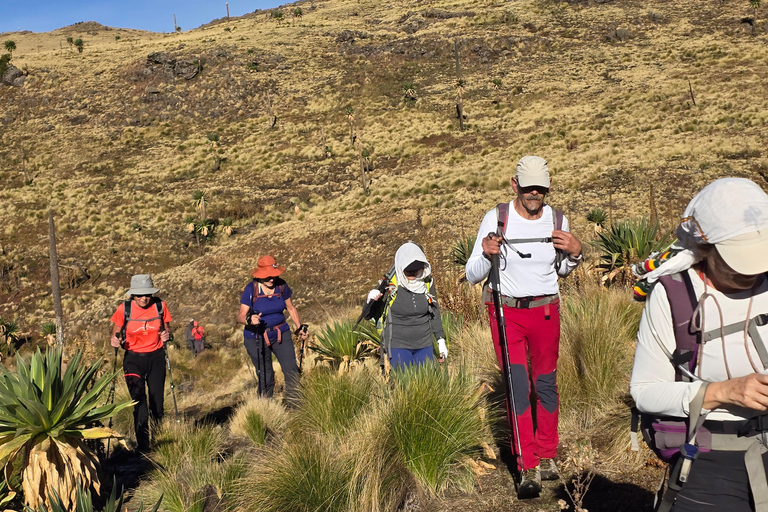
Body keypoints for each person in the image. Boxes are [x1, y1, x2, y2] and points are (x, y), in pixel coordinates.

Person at [630, 177, 768, 512]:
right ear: (704, 249)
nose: (751, 273)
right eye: (739, 259)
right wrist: (723, 391)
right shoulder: (673, 295)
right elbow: (644, 391)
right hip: (708, 454)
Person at [465, 155, 582, 498]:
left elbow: (561, 270)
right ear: (514, 185)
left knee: (545, 383)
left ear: (547, 189)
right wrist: (486, 254)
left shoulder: (557, 219)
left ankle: (547, 456)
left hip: (546, 311)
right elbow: (472, 274)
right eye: (528, 187)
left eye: (540, 189)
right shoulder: (495, 218)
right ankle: (526, 464)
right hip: (505, 312)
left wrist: (575, 252)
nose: (534, 194)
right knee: (517, 387)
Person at [109, 274, 172, 452]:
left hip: (156, 357)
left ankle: (159, 440)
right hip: (133, 359)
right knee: (139, 402)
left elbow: (167, 330)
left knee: (157, 402)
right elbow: (115, 334)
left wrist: (167, 336)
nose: (144, 298)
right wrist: (115, 340)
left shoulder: (160, 306)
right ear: (133, 295)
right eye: (139, 295)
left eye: (147, 294)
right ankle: (143, 447)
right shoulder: (124, 309)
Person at [236, 255, 308, 402]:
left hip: (281, 333)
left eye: (274, 275)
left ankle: (296, 408)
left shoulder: (281, 286)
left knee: (291, 370)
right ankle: (266, 410)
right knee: (266, 374)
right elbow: (240, 316)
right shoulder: (252, 289)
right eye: (268, 276)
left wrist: (300, 327)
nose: (271, 279)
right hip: (256, 337)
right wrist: (250, 320)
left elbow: (291, 308)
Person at [366, 242, 448, 370]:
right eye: (408, 270)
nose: (413, 273)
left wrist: (441, 340)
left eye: (417, 269)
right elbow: (368, 315)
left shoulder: (426, 282)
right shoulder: (390, 286)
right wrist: (371, 300)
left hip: (425, 344)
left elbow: (434, 312)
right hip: (398, 345)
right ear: (400, 267)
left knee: (427, 386)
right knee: (404, 386)